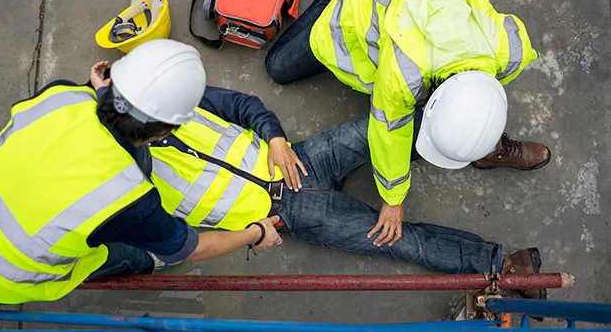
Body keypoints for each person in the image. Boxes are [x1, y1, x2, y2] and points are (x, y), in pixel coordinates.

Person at [0, 40, 282, 305]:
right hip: (1, 276)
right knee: (125, 252)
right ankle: (146, 262)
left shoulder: (62, 94)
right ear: (162, 133)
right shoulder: (129, 196)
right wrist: (254, 233)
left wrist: (100, 94)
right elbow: (191, 248)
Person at [264, 0, 551, 249]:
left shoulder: (510, 49)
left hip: (409, 17)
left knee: (461, 121)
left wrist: (480, 130)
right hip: (353, 16)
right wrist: (393, 199)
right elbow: (389, 133)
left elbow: (482, 98)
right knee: (278, 67)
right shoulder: (403, 74)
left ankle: (487, 148)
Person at [142, 85, 545, 298]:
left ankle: (480, 144)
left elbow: (242, 105)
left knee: (390, 130)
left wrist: (276, 138)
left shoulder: (160, 99)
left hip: (299, 158)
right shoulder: (127, 193)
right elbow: (180, 247)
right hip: (287, 213)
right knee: (399, 240)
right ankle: (504, 265)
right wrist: (255, 234)